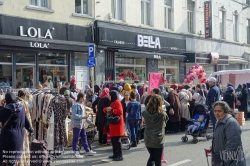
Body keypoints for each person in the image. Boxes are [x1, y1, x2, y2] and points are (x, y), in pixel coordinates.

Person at [0, 92, 33, 166]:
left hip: (7, 136)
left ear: (6, 100)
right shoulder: (21, 108)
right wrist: (31, 130)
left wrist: (1, 106)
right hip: (19, 136)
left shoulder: (6, 109)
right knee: (14, 159)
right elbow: (26, 122)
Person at [209, 101, 246, 165]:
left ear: (225, 111)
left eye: (219, 111)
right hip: (220, 160)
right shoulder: (219, 122)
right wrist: (212, 148)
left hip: (232, 162)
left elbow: (232, 145)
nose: (216, 113)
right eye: (215, 111)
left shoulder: (231, 123)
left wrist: (225, 162)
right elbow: (218, 139)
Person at [142, 95, 168, 166]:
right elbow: (165, 123)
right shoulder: (162, 114)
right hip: (158, 138)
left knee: (152, 157)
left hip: (148, 137)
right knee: (157, 159)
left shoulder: (145, 113)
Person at [71, 93, 96, 158]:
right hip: (77, 124)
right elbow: (74, 115)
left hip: (82, 124)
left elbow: (85, 116)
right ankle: (75, 153)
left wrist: (90, 122)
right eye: (84, 97)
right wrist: (83, 117)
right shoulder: (76, 105)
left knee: (84, 137)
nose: (85, 99)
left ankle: (87, 150)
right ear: (81, 98)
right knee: (76, 139)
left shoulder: (82, 105)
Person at [103, 90, 124, 161]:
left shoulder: (117, 102)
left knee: (117, 141)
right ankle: (115, 154)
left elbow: (120, 112)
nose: (108, 96)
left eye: (109, 95)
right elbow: (104, 109)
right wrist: (106, 109)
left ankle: (120, 155)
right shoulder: (111, 101)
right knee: (113, 140)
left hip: (117, 124)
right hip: (113, 123)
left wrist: (112, 110)